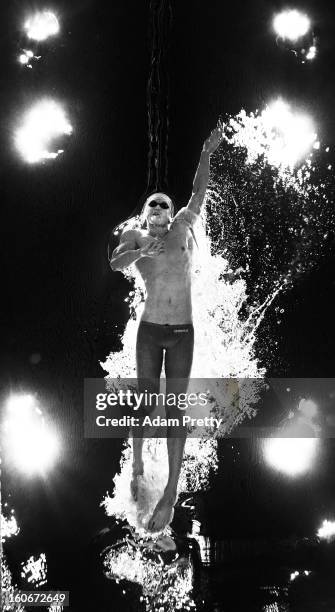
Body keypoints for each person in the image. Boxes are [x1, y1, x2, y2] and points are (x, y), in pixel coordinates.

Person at [109, 126, 223, 531]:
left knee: (174, 412)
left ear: (171, 212)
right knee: (145, 403)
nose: (159, 208)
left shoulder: (182, 226)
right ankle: (138, 463)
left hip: (181, 333)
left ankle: (171, 493)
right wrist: (142, 249)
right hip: (151, 330)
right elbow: (115, 263)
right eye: (153, 205)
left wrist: (206, 152)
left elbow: (198, 190)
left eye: (164, 204)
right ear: (145, 214)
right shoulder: (134, 236)